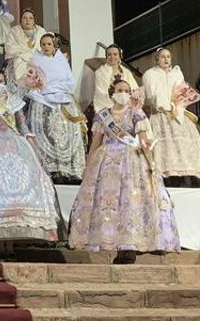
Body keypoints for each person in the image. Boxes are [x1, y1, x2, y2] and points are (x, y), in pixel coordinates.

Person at [69, 79, 180, 262]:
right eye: (120, 90)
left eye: (127, 90)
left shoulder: (136, 114)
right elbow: (95, 144)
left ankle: (129, 247)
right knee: (109, 203)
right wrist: (88, 167)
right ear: (112, 93)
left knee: (130, 201)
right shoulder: (102, 115)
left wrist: (152, 164)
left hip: (132, 163)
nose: (123, 93)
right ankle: (113, 243)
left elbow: (144, 142)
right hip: (106, 164)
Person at [0, 70, 60, 260]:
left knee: (18, 192)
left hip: (15, 146)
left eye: (0, 81)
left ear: (5, 82)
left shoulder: (14, 102)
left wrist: (33, 147)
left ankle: (11, 246)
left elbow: (22, 126)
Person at [142, 48, 200, 186]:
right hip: (161, 115)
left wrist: (179, 104)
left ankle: (188, 177)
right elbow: (151, 96)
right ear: (157, 59)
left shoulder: (176, 73)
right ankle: (167, 179)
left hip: (178, 113)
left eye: (168, 56)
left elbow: (181, 91)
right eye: (163, 57)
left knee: (185, 144)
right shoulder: (150, 74)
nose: (166, 59)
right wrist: (166, 105)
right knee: (165, 147)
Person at [23, 33, 87, 182]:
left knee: (69, 129)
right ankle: (49, 169)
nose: (46, 47)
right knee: (45, 128)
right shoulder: (35, 60)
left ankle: (68, 170)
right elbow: (31, 81)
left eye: (49, 44)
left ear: (54, 46)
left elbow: (69, 82)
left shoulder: (61, 61)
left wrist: (54, 88)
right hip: (42, 98)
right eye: (43, 44)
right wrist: (42, 87)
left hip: (62, 98)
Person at [4, 8, 47, 99]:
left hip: (38, 60)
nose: (27, 20)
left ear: (34, 20)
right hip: (20, 60)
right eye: (24, 18)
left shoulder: (41, 31)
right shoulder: (14, 31)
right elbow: (9, 47)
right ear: (21, 20)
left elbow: (46, 47)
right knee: (18, 61)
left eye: (30, 18)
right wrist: (26, 54)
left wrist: (32, 54)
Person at [91, 44, 140, 113]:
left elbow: (135, 89)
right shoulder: (100, 72)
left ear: (120, 56)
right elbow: (101, 93)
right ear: (106, 57)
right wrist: (116, 107)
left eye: (115, 54)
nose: (112, 57)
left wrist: (129, 103)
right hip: (110, 107)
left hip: (128, 107)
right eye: (109, 54)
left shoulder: (126, 72)